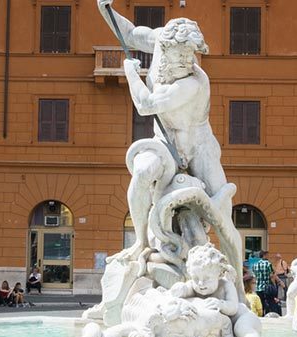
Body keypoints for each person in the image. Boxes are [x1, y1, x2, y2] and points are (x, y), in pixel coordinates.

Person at [96, 0, 245, 299]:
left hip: (198, 146)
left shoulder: (194, 82)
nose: (188, 61)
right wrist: (105, 8)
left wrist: (130, 73)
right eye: (183, 54)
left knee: (222, 216)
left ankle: (238, 282)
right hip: (164, 144)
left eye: (192, 55)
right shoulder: (159, 41)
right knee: (141, 170)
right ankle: (139, 242)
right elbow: (128, 32)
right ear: (166, 47)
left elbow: (146, 104)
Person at [251, 250, 273, 315]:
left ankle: (261, 314)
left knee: (260, 303)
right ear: (264, 255)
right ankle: (267, 315)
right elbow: (271, 275)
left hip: (258, 287)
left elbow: (254, 275)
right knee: (268, 303)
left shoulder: (255, 265)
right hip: (267, 287)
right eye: (267, 255)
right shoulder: (268, 264)